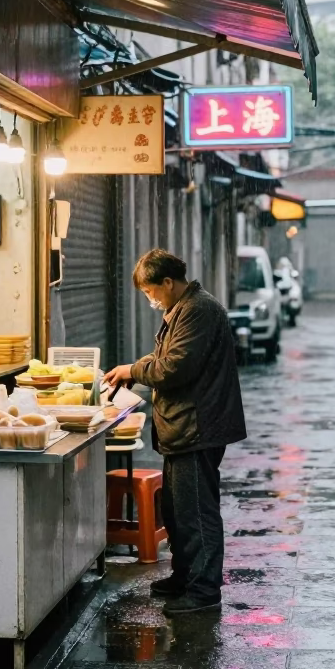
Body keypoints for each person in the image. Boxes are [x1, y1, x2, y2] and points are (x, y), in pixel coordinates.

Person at [104, 249, 246, 616]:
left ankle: (203, 591)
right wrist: (130, 369)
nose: (150, 299)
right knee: (178, 509)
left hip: (197, 426)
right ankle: (184, 576)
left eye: (151, 291)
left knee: (197, 512)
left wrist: (133, 371)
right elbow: (164, 358)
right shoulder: (182, 309)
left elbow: (172, 368)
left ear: (168, 282)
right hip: (183, 426)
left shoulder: (198, 310)